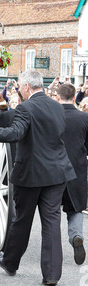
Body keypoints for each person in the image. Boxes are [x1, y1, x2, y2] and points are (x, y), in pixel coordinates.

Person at [0, 70, 76, 286]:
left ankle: (11, 261)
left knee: (22, 220)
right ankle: (52, 275)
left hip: (31, 173)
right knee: (52, 222)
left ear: (26, 87)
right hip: (57, 171)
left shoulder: (25, 108)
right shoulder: (57, 106)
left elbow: (15, 134)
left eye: (19, 88)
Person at [56, 83, 88, 265]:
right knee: (75, 208)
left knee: (51, 210)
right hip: (77, 168)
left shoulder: (53, 117)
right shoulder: (84, 118)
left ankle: (53, 249)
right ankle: (76, 235)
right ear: (74, 95)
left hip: (54, 169)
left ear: (58, 97)